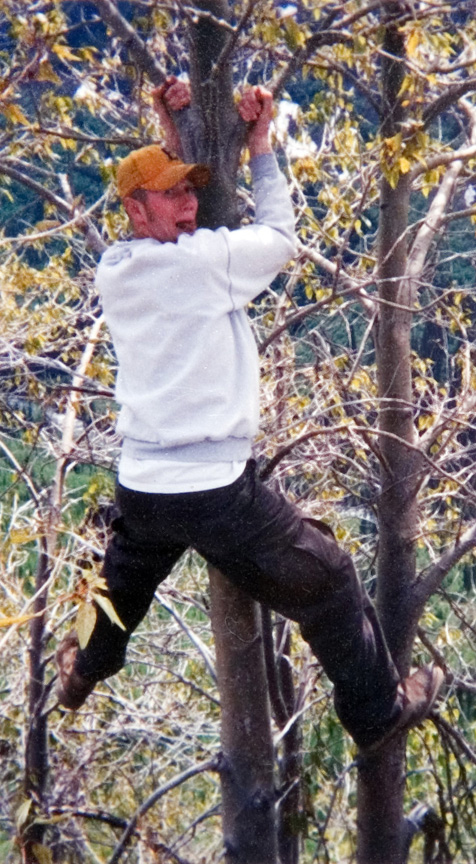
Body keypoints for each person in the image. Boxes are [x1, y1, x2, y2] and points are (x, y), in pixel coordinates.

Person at [56, 81, 443, 752]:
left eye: (190, 190)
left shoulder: (116, 268)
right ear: (135, 210)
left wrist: (171, 132)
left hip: (143, 483)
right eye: (173, 194)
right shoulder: (203, 267)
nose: (191, 205)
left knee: (125, 581)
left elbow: (172, 226)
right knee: (328, 579)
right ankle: (378, 714)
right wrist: (262, 151)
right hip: (212, 491)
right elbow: (278, 237)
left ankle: (83, 668)